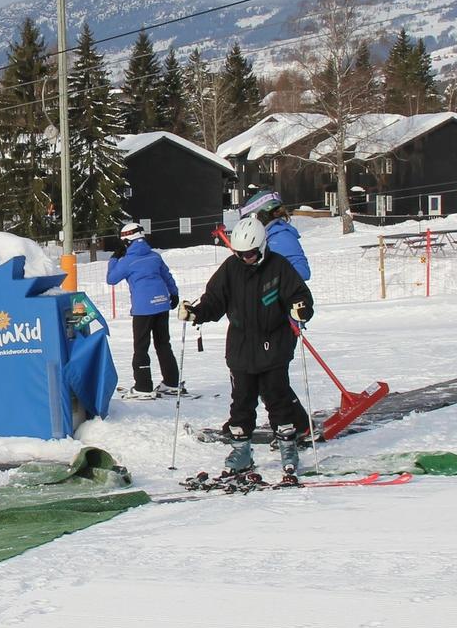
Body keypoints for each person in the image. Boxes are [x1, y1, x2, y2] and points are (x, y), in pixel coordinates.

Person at [180, 217, 314, 483]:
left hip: (273, 345)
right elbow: (215, 301)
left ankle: (288, 448)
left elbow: (300, 295)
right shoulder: (231, 268)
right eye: (240, 254)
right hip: (241, 347)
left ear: (262, 248)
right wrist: (196, 313)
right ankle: (241, 452)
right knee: (241, 402)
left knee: (278, 399)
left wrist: (301, 308)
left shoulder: (279, 267)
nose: (246, 259)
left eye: (250, 254)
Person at [107, 221, 181, 398]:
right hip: (162, 304)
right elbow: (167, 276)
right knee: (163, 344)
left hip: (143, 309)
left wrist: (114, 259)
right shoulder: (155, 256)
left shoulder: (127, 262)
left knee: (141, 347)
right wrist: (174, 293)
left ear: (126, 242)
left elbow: (111, 279)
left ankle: (143, 386)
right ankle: (171, 383)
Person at [247, 192, 311, 280]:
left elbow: (302, 271)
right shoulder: (266, 236)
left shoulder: (281, 237)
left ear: (262, 215)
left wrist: (272, 280)